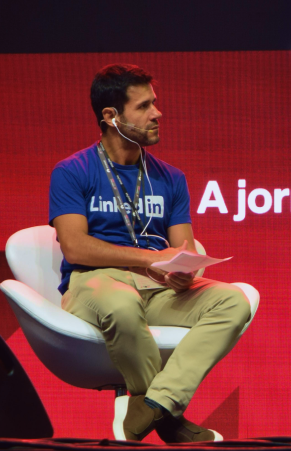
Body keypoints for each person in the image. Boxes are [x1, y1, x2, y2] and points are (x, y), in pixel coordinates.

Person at [49, 64, 252, 443]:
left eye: (154, 103)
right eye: (144, 107)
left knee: (233, 302)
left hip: (156, 287)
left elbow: (184, 246)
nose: (157, 114)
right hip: (95, 281)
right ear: (111, 117)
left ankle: (156, 404)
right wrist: (147, 260)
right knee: (123, 304)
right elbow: (75, 246)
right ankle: (167, 419)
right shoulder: (72, 170)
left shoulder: (170, 177)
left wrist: (182, 270)